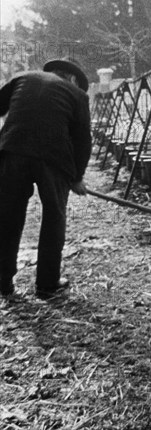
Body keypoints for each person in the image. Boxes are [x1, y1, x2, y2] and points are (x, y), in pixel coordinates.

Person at [0, 58, 92, 298]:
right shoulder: (77, 95)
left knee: (8, 215)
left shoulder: (22, 78)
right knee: (54, 216)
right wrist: (76, 178)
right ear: (72, 80)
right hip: (53, 158)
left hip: (12, 151)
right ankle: (47, 284)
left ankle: (3, 280)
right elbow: (83, 141)